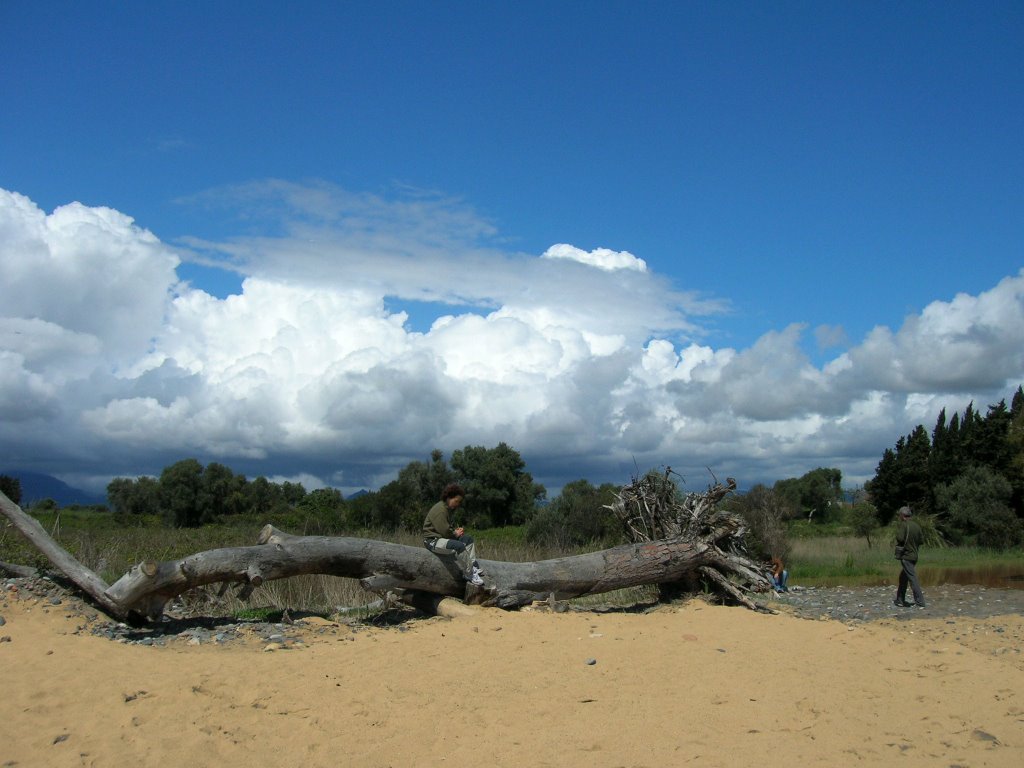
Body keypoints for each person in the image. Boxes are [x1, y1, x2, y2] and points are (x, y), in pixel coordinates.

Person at [423, 483, 485, 586]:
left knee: (468, 539)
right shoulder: (440, 510)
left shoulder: (447, 509)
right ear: (449, 498)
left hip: (442, 538)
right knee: (458, 546)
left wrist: (455, 531)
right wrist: (455, 534)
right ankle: (469, 573)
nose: (458, 504)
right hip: (432, 541)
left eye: (459, 502)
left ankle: (473, 566)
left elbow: (447, 529)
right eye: (457, 501)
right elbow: (444, 532)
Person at [893, 505, 926, 608]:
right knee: (903, 577)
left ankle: (920, 602)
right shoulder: (916, 526)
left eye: (899, 515)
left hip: (906, 556)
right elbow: (921, 541)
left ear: (903, 516)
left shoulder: (904, 525)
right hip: (915, 556)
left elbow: (900, 538)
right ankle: (900, 599)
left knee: (912, 579)